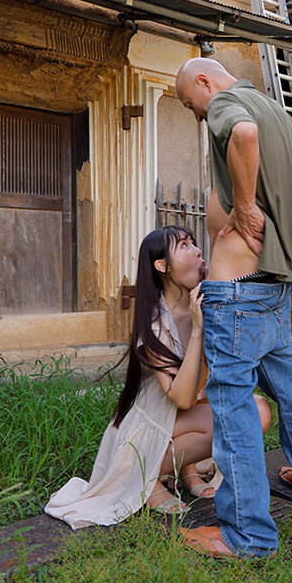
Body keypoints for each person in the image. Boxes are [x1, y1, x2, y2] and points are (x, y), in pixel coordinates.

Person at [176, 58, 292, 559]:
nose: (197, 116)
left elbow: (242, 135)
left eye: (191, 105)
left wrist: (248, 206)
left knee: (232, 412)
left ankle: (248, 537)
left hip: (237, 293)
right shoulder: (276, 110)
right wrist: (279, 209)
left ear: (204, 82)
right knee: (291, 390)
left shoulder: (232, 105)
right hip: (271, 285)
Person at [45, 225, 272, 529]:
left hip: (180, 418)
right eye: (185, 246)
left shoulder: (203, 305)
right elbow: (180, 396)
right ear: (162, 266)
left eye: (194, 243)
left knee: (259, 410)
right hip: (146, 428)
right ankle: (147, 478)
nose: (198, 251)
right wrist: (197, 331)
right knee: (236, 417)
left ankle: (185, 469)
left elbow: (205, 387)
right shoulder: (154, 327)